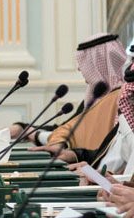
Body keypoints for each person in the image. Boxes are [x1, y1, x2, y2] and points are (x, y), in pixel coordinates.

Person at [28, 33, 127, 162]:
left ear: (97, 62)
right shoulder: (93, 97)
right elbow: (69, 128)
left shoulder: (122, 98)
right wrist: (26, 129)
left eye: (84, 62)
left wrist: (31, 132)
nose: (79, 68)